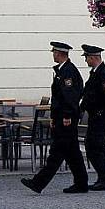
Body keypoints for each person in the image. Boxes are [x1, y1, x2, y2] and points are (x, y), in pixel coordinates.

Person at [21, 42, 88, 194]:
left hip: (66, 119)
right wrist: (54, 116)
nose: (53, 55)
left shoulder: (68, 72)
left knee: (56, 153)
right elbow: (58, 97)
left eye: (54, 52)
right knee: (73, 154)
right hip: (61, 117)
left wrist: (66, 116)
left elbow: (70, 96)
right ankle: (81, 183)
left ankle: (38, 183)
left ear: (60, 53)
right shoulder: (62, 70)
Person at [80, 44, 105, 191]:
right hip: (96, 115)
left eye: (87, 58)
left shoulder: (104, 74)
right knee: (99, 147)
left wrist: (102, 113)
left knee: (94, 146)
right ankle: (104, 178)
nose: (86, 61)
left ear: (93, 57)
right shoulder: (96, 72)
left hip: (101, 116)